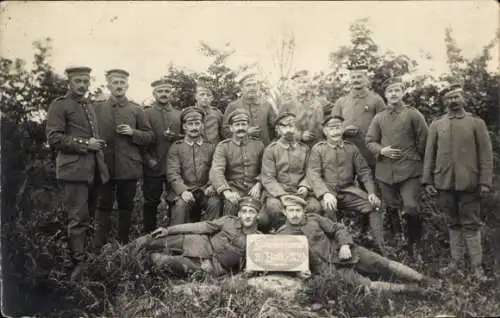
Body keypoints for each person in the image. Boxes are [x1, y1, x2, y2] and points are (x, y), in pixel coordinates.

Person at [276, 195, 437, 294]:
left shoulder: (314, 219)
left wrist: (345, 244)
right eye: (291, 210)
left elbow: (337, 229)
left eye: (298, 210)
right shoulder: (282, 235)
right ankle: (411, 291)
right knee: (366, 285)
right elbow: (283, 261)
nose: (295, 214)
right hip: (328, 270)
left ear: (303, 210)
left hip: (343, 252)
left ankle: (423, 279)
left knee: (381, 262)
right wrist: (297, 273)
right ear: (284, 212)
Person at [422, 83, 493, 281]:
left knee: (471, 224)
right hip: (444, 182)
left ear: (463, 99)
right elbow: (430, 154)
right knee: (453, 223)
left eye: (456, 97)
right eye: (449, 98)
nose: (453, 101)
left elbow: (486, 155)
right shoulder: (437, 124)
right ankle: (456, 262)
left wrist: (485, 181)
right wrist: (427, 180)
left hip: (469, 183)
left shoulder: (476, 123)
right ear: (444, 102)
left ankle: (477, 268)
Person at [46, 66, 109, 277]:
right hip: (74, 171)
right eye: (78, 81)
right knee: (77, 218)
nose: (82, 85)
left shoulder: (88, 106)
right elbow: (54, 138)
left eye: (85, 81)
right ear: (69, 83)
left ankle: (85, 258)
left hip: (94, 170)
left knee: (89, 215)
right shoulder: (60, 105)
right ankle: (77, 266)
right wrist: (86, 144)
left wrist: (97, 145)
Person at [366, 77, 429, 260]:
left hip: (410, 170)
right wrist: (381, 150)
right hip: (386, 171)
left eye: (397, 90)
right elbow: (370, 141)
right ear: (385, 95)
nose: (393, 94)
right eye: (390, 91)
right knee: (392, 207)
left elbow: (424, 140)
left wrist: (418, 160)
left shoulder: (413, 114)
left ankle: (415, 246)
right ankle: (398, 242)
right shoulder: (379, 117)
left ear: (402, 93)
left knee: (411, 206)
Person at [307, 115, 387, 256]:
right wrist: (325, 193)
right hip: (328, 191)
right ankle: (336, 249)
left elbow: (364, 171)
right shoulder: (318, 149)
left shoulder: (351, 148)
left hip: (347, 189)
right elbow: (314, 174)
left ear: (343, 129)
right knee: (328, 208)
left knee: (375, 205)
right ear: (325, 131)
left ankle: (381, 247)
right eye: (332, 128)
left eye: (338, 128)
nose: (336, 132)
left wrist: (371, 193)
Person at [93, 69, 154, 248]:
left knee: (126, 206)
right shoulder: (97, 108)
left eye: (122, 83)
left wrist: (133, 132)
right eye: (115, 83)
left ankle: (123, 245)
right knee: (103, 204)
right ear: (108, 85)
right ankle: (98, 245)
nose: (119, 86)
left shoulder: (136, 109)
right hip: (104, 166)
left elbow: (150, 136)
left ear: (127, 85)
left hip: (129, 167)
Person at [143, 197, 262, 277]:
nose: (247, 216)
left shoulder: (258, 240)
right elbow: (201, 226)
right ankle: (127, 252)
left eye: (252, 212)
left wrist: (249, 271)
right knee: (153, 241)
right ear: (239, 214)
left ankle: (139, 264)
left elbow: (250, 266)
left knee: (161, 261)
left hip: (211, 266)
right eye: (244, 211)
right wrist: (168, 230)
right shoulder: (228, 221)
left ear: (257, 215)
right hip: (199, 244)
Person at [260, 112, 321, 231]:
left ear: (296, 128)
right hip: (278, 193)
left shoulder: (304, 149)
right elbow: (268, 177)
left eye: (291, 126)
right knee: (274, 208)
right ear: (278, 129)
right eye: (284, 126)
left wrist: (305, 186)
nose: (289, 130)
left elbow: (310, 171)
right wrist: (281, 195)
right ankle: (282, 233)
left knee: (315, 207)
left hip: (299, 192)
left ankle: (306, 234)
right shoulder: (271, 150)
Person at [166, 106, 221, 225]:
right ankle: (177, 238)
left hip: (205, 190)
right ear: (184, 127)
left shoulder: (211, 146)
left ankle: (211, 237)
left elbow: (216, 169)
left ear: (202, 125)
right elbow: (173, 173)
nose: (194, 127)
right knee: (180, 205)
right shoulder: (176, 147)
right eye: (190, 124)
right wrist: (183, 191)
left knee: (215, 203)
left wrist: (212, 185)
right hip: (185, 190)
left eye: (197, 123)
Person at [142, 78, 183, 233]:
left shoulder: (178, 114)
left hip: (174, 166)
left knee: (175, 200)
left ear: (171, 93)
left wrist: (175, 136)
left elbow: (185, 138)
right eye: (160, 91)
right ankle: (148, 234)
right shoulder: (145, 113)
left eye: (167, 91)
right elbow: (140, 140)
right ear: (154, 94)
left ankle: (173, 233)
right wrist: (147, 159)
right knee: (151, 201)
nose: (164, 94)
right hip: (153, 164)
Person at [210, 109, 265, 217]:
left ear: (248, 126)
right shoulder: (223, 146)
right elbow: (217, 170)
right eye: (237, 125)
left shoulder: (258, 145)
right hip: (233, 187)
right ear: (231, 128)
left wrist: (259, 184)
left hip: (254, 187)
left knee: (263, 216)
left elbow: (266, 169)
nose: (240, 128)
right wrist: (226, 191)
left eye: (243, 124)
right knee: (231, 205)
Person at [222, 73, 277, 146]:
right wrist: (244, 132)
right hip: (241, 149)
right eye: (248, 85)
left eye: (254, 85)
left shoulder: (266, 105)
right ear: (241, 88)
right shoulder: (233, 106)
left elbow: (275, 127)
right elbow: (224, 130)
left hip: (264, 149)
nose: (252, 88)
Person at [280, 70, 325, 147]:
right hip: (293, 146)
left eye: (305, 82)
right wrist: (299, 135)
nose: (302, 85)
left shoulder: (317, 104)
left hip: (314, 146)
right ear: (294, 85)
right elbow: (279, 129)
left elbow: (320, 127)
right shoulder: (287, 104)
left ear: (309, 84)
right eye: (299, 82)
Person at [194, 79, 224, 144]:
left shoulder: (217, 113)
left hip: (214, 149)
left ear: (212, 98)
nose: (205, 97)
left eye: (208, 95)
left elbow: (223, 133)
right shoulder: (189, 113)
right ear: (196, 97)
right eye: (202, 94)